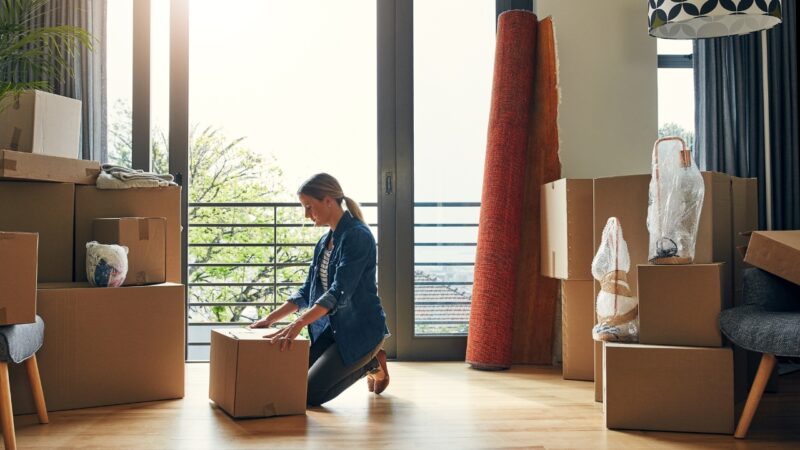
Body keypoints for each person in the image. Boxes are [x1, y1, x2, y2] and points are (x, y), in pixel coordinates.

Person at [250, 173, 390, 406]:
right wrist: (269, 319)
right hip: (332, 331)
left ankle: (371, 361)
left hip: (360, 333)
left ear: (328, 200)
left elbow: (337, 293)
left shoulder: (357, 236)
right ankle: (367, 361)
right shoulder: (324, 241)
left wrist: (298, 324)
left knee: (308, 395)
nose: (306, 214)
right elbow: (307, 291)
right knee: (290, 382)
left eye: (309, 207)